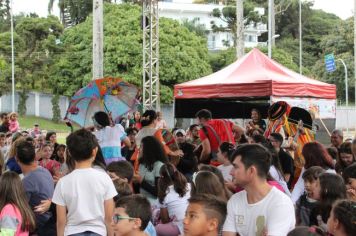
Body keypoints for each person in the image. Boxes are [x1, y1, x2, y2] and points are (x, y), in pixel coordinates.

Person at [52, 129, 117, 236]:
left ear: (70, 153)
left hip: (72, 232)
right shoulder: (104, 178)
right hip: (99, 232)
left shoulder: (62, 183)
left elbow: (61, 221)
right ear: (95, 151)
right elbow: (109, 218)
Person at [223, 144, 295, 236]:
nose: (231, 172)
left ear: (251, 171)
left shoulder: (280, 203)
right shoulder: (235, 200)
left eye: (236, 167)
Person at [15, 139, 56, 235]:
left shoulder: (26, 182)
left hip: (39, 228)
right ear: (34, 156)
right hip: (50, 222)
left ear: (17, 159)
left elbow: (19, 211)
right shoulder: (45, 171)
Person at [156, 163, 191, 236]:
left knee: (157, 228)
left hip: (179, 227)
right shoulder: (189, 186)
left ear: (162, 178)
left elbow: (165, 220)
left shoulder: (164, 195)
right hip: (192, 222)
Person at [136, 136, 168, 203]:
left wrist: (141, 181)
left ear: (148, 149)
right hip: (142, 201)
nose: (139, 149)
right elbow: (138, 189)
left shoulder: (159, 166)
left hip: (154, 203)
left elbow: (158, 193)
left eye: (141, 146)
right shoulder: (142, 164)